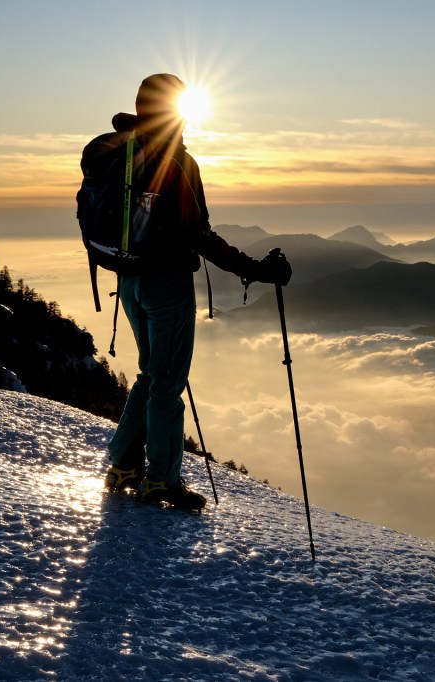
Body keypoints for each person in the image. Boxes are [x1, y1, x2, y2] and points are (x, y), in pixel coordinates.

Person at [101, 73, 291, 511]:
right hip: (166, 285)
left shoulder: (120, 153)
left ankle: (124, 465)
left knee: (150, 374)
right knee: (167, 381)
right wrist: (255, 270)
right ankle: (161, 480)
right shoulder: (177, 162)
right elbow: (198, 235)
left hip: (128, 280)